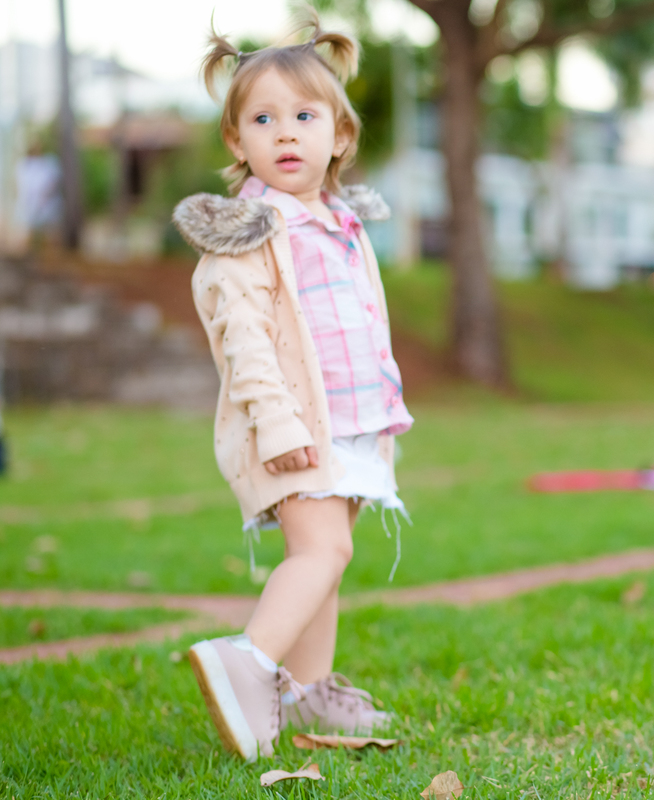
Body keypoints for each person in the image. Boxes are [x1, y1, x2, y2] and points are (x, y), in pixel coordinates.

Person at [171, 10, 411, 762]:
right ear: (236, 141)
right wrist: (277, 424)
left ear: (339, 135)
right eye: (263, 119)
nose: (285, 134)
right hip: (298, 424)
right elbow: (243, 342)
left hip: (350, 422)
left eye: (304, 117)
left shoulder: (341, 225)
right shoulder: (250, 233)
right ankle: (248, 663)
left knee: (327, 562)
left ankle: (309, 690)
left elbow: (362, 322)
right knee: (322, 552)